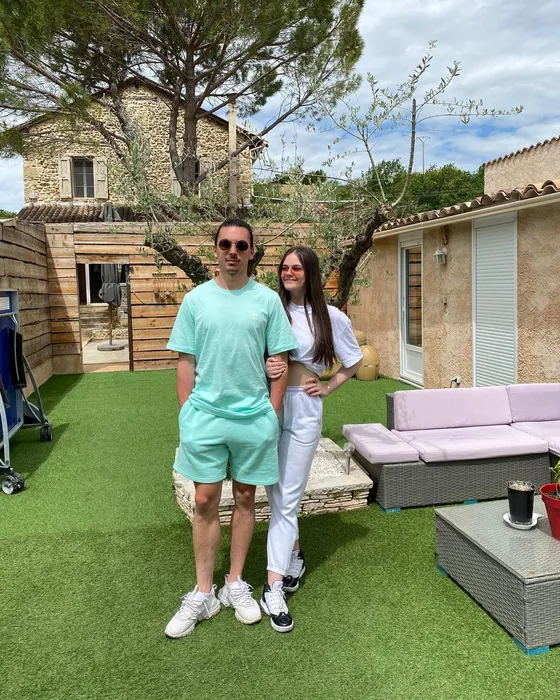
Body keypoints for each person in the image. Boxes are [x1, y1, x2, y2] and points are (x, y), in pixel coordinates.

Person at [164, 219, 298, 639]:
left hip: (254, 418)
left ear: (252, 251)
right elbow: (185, 361)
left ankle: (235, 583)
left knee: (245, 497)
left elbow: (280, 360)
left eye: (241, 245)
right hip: (204, 417)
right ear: (216, 250)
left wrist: (272, 413)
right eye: (225, 244)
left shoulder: (268, 301)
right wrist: (186, 416)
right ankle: (203, 593)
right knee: (204, 499)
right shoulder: (196, 301)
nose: (233, 251)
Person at [262, 246, 363, 632]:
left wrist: (328, 387)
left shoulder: (330, 316)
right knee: (275, 492)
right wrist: (266, 363)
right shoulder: (273, 309)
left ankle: (272, 587)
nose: (289, 273)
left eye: (296, 268)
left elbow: (353, 361)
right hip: (268, 405)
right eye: (284, 267)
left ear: (310, 274)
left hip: (304, 408)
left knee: (287, 497)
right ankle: (295, 555)